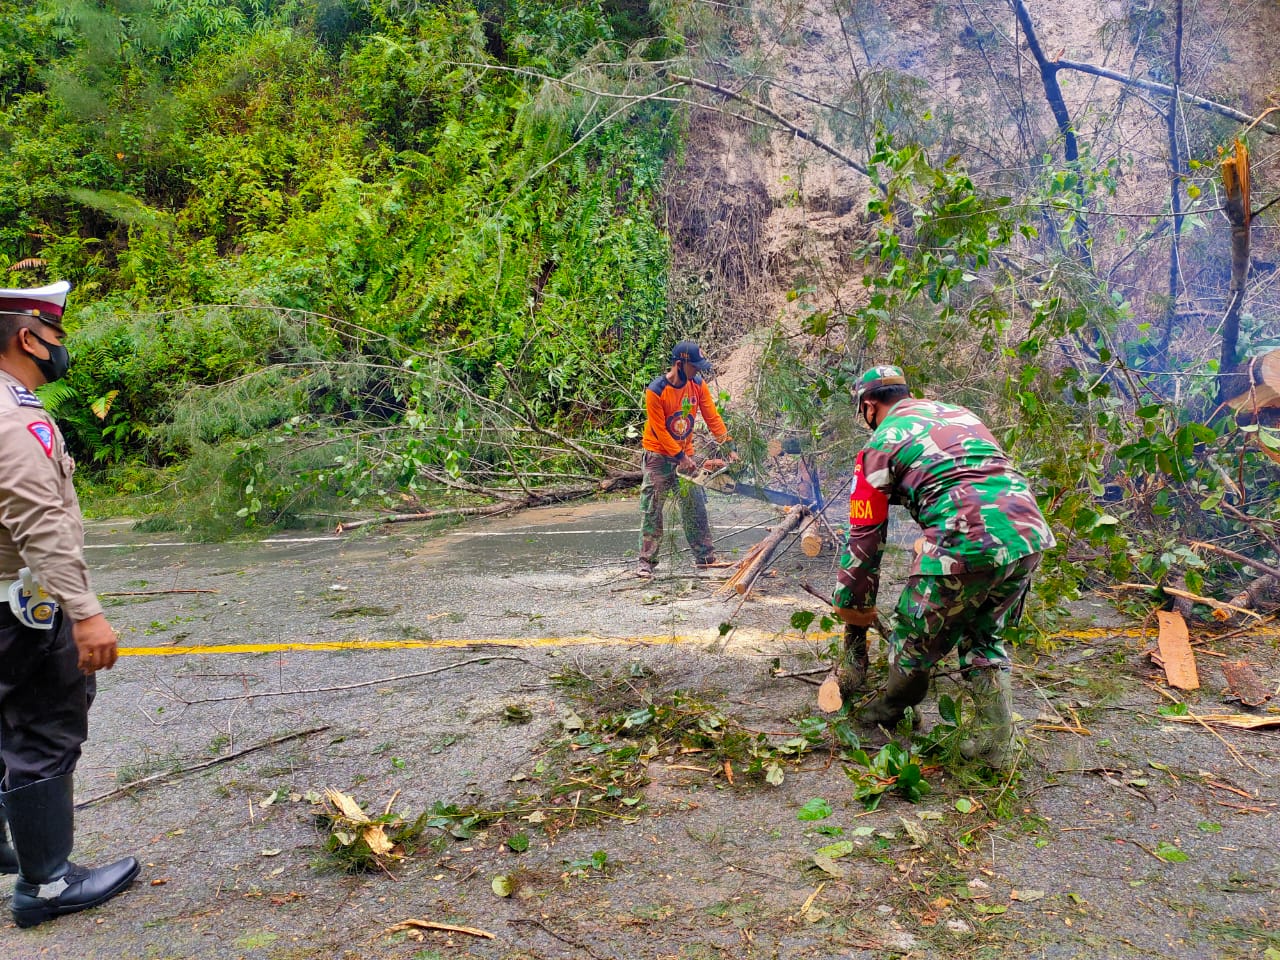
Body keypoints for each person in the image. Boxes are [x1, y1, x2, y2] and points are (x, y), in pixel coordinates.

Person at [830, 365, 1055, 768]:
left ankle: (883, 714)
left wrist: (852, 608)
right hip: (1027, 534)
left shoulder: (879, 445)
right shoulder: (959, 414)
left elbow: (864, 543)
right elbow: (967, 475)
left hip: (963, 540)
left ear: (868, 405)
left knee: (913, 641)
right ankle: (996, 745)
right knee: (983, 635)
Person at [0, 280, 139, 927]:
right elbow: (40, 523)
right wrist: (85, 612)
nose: (61, 346)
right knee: (45, 723)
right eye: (55, 334)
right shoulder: (16, 416)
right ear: (28, 338)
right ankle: (46, 884)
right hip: (18, 607)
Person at [637, 340, 737, 577]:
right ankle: (645, 563)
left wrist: (728, 445)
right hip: (658, 457)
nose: (698, 371)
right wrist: (679, 456)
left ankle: (705, 557)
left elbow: (711, 416)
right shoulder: (656, 391)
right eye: (694, 366)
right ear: (679, 364)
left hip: (685, 453)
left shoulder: (697, 384)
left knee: (694, 505)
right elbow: (660, 430)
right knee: (652, 508)